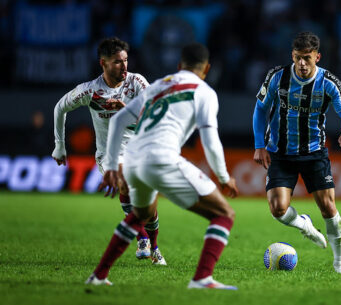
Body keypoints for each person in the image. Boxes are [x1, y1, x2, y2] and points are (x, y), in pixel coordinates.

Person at [86, 42, 240, 289]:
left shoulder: (158, 85)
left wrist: (113, 167)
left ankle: (99, 275)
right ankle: (202, 279)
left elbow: (118, 120)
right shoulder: (204, 92)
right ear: (207, 68)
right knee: (225, 214)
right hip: (162, 158)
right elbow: (209, 139)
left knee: (140, 215)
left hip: (133, 160)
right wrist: (223, 177)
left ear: (179, 66)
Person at [51, 37, 166, 264]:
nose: (124, 67)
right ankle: (141, 237)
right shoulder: (90, 92)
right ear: (103, 63)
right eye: (117, 62)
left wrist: (126, 110)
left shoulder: (137, 83)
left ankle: (154, 247)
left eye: (125, 61)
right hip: (110, 155)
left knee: (150, 211)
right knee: (123, 179)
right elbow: (59, 107)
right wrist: (60, 145)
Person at [252, 32, 341, 273]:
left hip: (314, 153)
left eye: (307, 58)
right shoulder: (277, 76)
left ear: (317, 57)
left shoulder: (329, 82)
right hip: (280, 152)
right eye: (298, 57)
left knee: (328, 208)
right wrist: (259, 145)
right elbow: (260, 109)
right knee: (278, 209)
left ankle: (339, 262)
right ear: (292, 55)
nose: (301, 63)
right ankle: (305, 226)